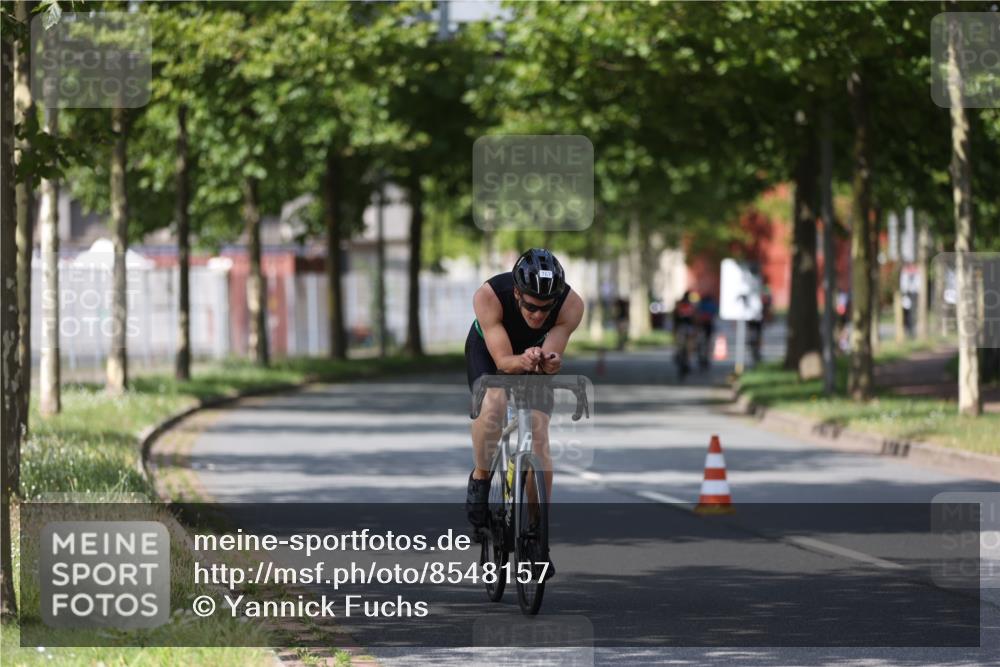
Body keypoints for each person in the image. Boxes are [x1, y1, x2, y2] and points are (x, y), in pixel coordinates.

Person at [464, 249, 585, 562]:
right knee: (494, 401)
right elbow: (504, 362)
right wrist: (520, 359)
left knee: (539, 433)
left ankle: (535, 529)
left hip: (533, 358)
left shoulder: (571, 305)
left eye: (545, 308)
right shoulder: (489, 296)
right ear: (517, 292)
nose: (537, 315)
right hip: (491, 353)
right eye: (530, 306)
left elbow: (551, 356)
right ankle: (480, 477)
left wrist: (549, 362)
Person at [672, 290, 697, 378]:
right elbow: (694, 318)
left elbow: (675, 317)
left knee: (681, 343)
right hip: (685, 327)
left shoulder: (680, 305)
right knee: (689, 344)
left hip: (682, 327)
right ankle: (685, 358)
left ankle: (679, 353)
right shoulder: (690, 306)